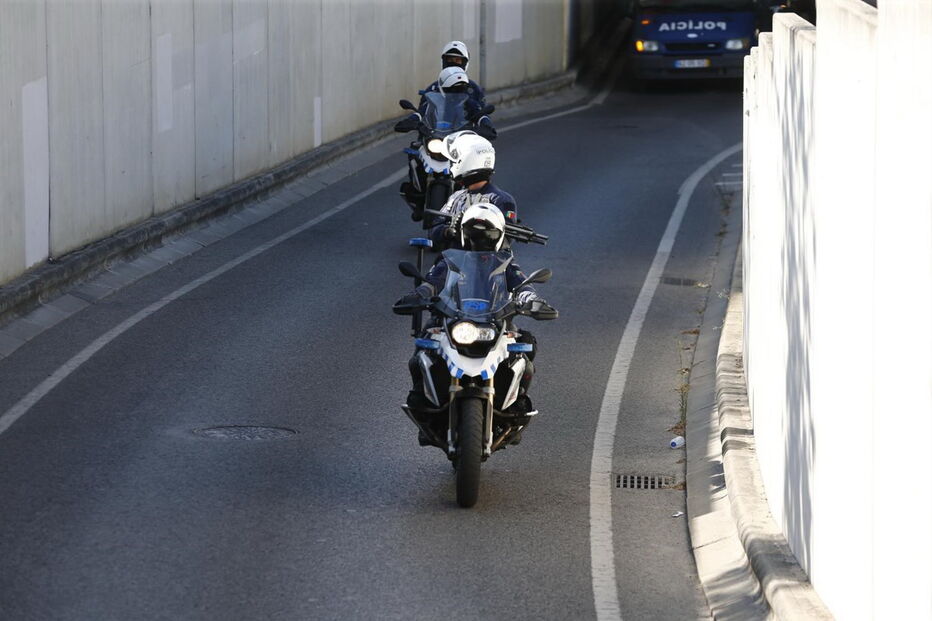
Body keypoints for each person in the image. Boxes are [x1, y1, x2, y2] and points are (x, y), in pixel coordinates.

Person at [398, 204, 552, 423]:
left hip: (497, 321)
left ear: (498, 236)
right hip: (453, 318)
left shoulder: (506, 263)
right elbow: (433, 282)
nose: (480, 240)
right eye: (473, 233)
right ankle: (420, 395)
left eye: (488, 234)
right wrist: (420, 293)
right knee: (423, 345)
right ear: (463, 233)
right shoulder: (449, 260)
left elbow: (522, 285)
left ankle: (518, 399)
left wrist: (532, 300)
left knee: (526, 347)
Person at [428, 131, 516, 250]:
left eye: (454, 161)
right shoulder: (456, 198)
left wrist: (475, 230)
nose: (451, 165)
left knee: (513, 269)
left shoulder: (501, 200)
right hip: (455, 263)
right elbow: (434, 231)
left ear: (464, 161)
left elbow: (506, 240)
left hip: (489, 265)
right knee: (436, 269)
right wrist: (449, 231)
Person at [419, 41, 487, 119]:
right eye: (450, 60)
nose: (453, 63)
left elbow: (483, 115)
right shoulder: (433, 89)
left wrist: (485, 122)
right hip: (439, 130)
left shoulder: (474, 89)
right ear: (444, 61)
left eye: (457, 60)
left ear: (465, 63)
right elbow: (422, 112)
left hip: (466, 130)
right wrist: (415, 118)